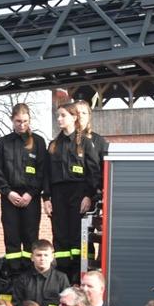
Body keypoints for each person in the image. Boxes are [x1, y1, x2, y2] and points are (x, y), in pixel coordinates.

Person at [45, 102, 101, 279]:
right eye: (58, 116)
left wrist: (88, 196)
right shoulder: (53, 145)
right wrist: (46, 198)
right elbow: (46, 174)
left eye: (63, 115)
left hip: (78, 194)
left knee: (78, 238)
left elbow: (94, 172)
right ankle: (63, 277)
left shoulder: (85, 143)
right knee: (60, 237)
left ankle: (79, 277)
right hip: (58, 195)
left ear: (74, 117)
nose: (59, 119)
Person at [0, 104, 47, 279]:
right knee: (12, 237)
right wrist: (7, 192)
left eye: (25, 121)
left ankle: (30, 274)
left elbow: (41, 171)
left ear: (29, 120)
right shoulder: (4, 142)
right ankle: (14, 275)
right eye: (18, 121)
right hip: (9, 197)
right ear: (12, 120)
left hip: (30, 198)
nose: (21, 125)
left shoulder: (38, 142)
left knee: (31, 237)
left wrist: (31, 193)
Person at [10, 241, 70, 306]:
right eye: (39, 255)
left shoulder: (61, 278)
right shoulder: (22, 279)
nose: (42, 259)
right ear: (32, 257)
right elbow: (16, 305)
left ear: (52, 257)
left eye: (46, 255)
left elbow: (67, 305)